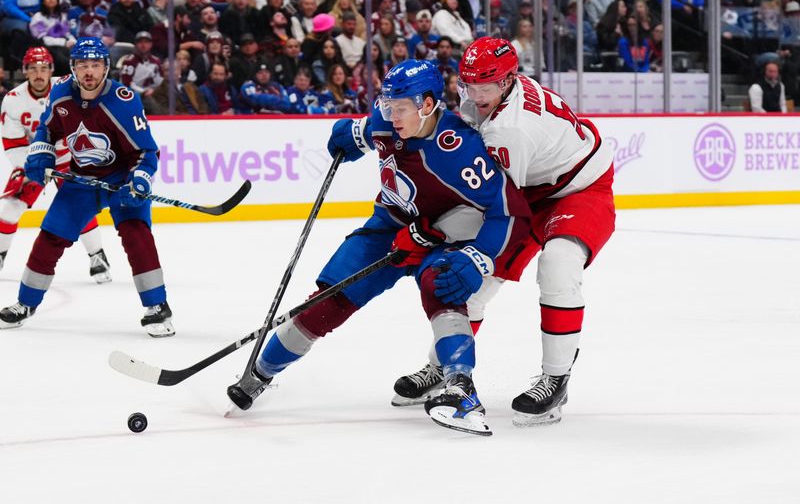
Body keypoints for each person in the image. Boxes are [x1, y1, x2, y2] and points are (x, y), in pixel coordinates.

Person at [226, 59, 532, 436]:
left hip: (442, 235)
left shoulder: (461, 151)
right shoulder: (387, 119)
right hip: (387, 228)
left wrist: (479, 255)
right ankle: (261, 373)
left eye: (400, 107)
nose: (391, 114)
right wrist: (351, 134)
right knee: (328, 300)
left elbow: (509, 213)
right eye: (387, 105)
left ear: (428, 104)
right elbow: (369, 130)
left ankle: (460, 389)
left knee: (443, 288)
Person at [393, 37, 615, 428]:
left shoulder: (511, 130)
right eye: (469, 85)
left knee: (559, 265)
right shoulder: (486, 97)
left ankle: (556, 378)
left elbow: (496, 206)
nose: (476, 95)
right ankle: (442, 368)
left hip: (579, 189)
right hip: (529, 187)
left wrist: (434, 230)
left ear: (510, 80)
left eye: (487, 86)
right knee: (476, 286)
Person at [0, 38, 174, 338]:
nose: (89, 71)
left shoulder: (123, 99)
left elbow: (146, 152)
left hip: (122, 179)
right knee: (50, 237)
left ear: (106, 67)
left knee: (137, 235)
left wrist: (140, 180)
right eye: (83, 65)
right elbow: (48, 127)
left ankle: (157, 307)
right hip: (81, 179)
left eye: (95, 65)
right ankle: (25, 303)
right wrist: (41, 153)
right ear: (73, 68)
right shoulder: (62, 93)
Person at [0, 47, 111, 283]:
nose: (39, 74)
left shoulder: (67, 87)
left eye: (43, 68)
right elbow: (12, 142)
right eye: (33, 69)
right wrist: (32, 168)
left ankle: (97, 256)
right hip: (34, 159)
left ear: (51, 69)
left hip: (68, 155)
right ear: (24, 71)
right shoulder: (13, 100)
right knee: (9, 207)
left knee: (77, 205)